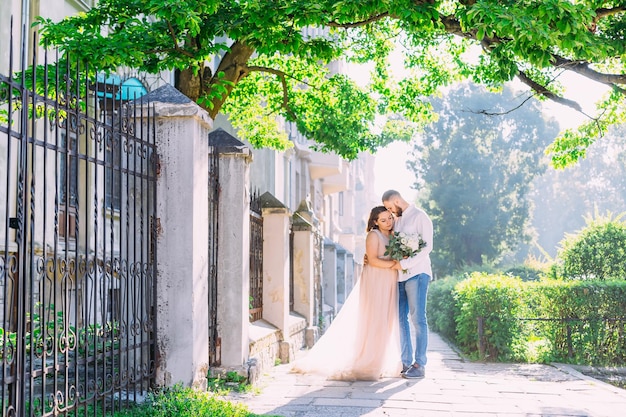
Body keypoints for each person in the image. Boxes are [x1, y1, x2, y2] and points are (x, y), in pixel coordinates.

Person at [291, 206, 402, 380]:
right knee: (374, 320)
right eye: (383, 220)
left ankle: (380, 360)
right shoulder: (374, 235)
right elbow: (372, 260)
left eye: (389, 218)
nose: (388, 222)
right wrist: (395, 265)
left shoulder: (394, 236)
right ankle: (368, 361)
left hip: (389, 281)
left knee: (386, 321)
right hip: (375, 280)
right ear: (375, 222)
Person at [382, 189, 434, 379]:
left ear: (396, 200)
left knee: (418, 318)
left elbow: (428, 246)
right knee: (400, 319)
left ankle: (420, 364)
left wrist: (404, 263)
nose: (389, 211)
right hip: (399, 277)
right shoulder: (398, 220)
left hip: (418, 274)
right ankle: (405, 362)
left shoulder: (420, 216)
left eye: (389, 206)